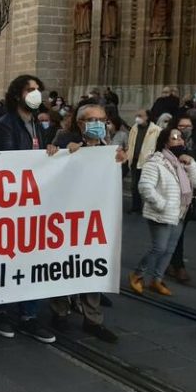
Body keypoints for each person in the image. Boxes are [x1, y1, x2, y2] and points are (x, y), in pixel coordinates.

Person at [0, 74, 57, 344]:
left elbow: (36, 156)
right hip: (11, 204)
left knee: (32, 258)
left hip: (32, 203)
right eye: (30, 89)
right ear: (18, 94)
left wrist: (50, 153)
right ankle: (1, 311)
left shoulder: (35, 125)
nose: (36, 94)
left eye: (38, 89)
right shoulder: (5, 125)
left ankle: (29, 315)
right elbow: (8, 162)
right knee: (7, 257)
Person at [49, 103, 122, 343]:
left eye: (102, 120)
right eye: (93, 120)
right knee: (63, 266)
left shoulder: (108, 147)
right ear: (80, 123)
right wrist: (62, 152)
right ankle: (60, 312)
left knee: (92, 267)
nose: (99, 124)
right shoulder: (64, 139)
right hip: (65, 218)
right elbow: (48, 167)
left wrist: (123, 160)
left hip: (94, 219)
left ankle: (93, 320)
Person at [130, 128, 196, 296]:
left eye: (181, 138)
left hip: (180, 213)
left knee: (170, 249)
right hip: (161, 213)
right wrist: (162, 204)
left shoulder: (183, 162)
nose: (179, 141)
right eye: (175, 138)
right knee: (159, 248)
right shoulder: (156, 162)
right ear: (165, 142)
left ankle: (157, 279)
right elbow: (145, 186)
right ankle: (137, 274)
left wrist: (191, 164)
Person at [166, 114, 196, 284]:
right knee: (174, 234)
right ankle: (177, 266)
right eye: (181, 126)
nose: (185, 129)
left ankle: (172, 264)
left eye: (188, 126)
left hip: (189, 196)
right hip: (172, 195)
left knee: (178, 233)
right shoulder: (170, 144)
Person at [127, 110, 161, 213]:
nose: (137, 117)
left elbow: (159, 146)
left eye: (140, 116)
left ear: (147, 117)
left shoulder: (156, 130)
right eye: (137, 115)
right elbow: (131, 144)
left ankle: (150, 208)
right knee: (134, 185)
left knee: (148, 186)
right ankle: (136, 207)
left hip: (148, 162)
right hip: (135, 160)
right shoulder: (134, 128)